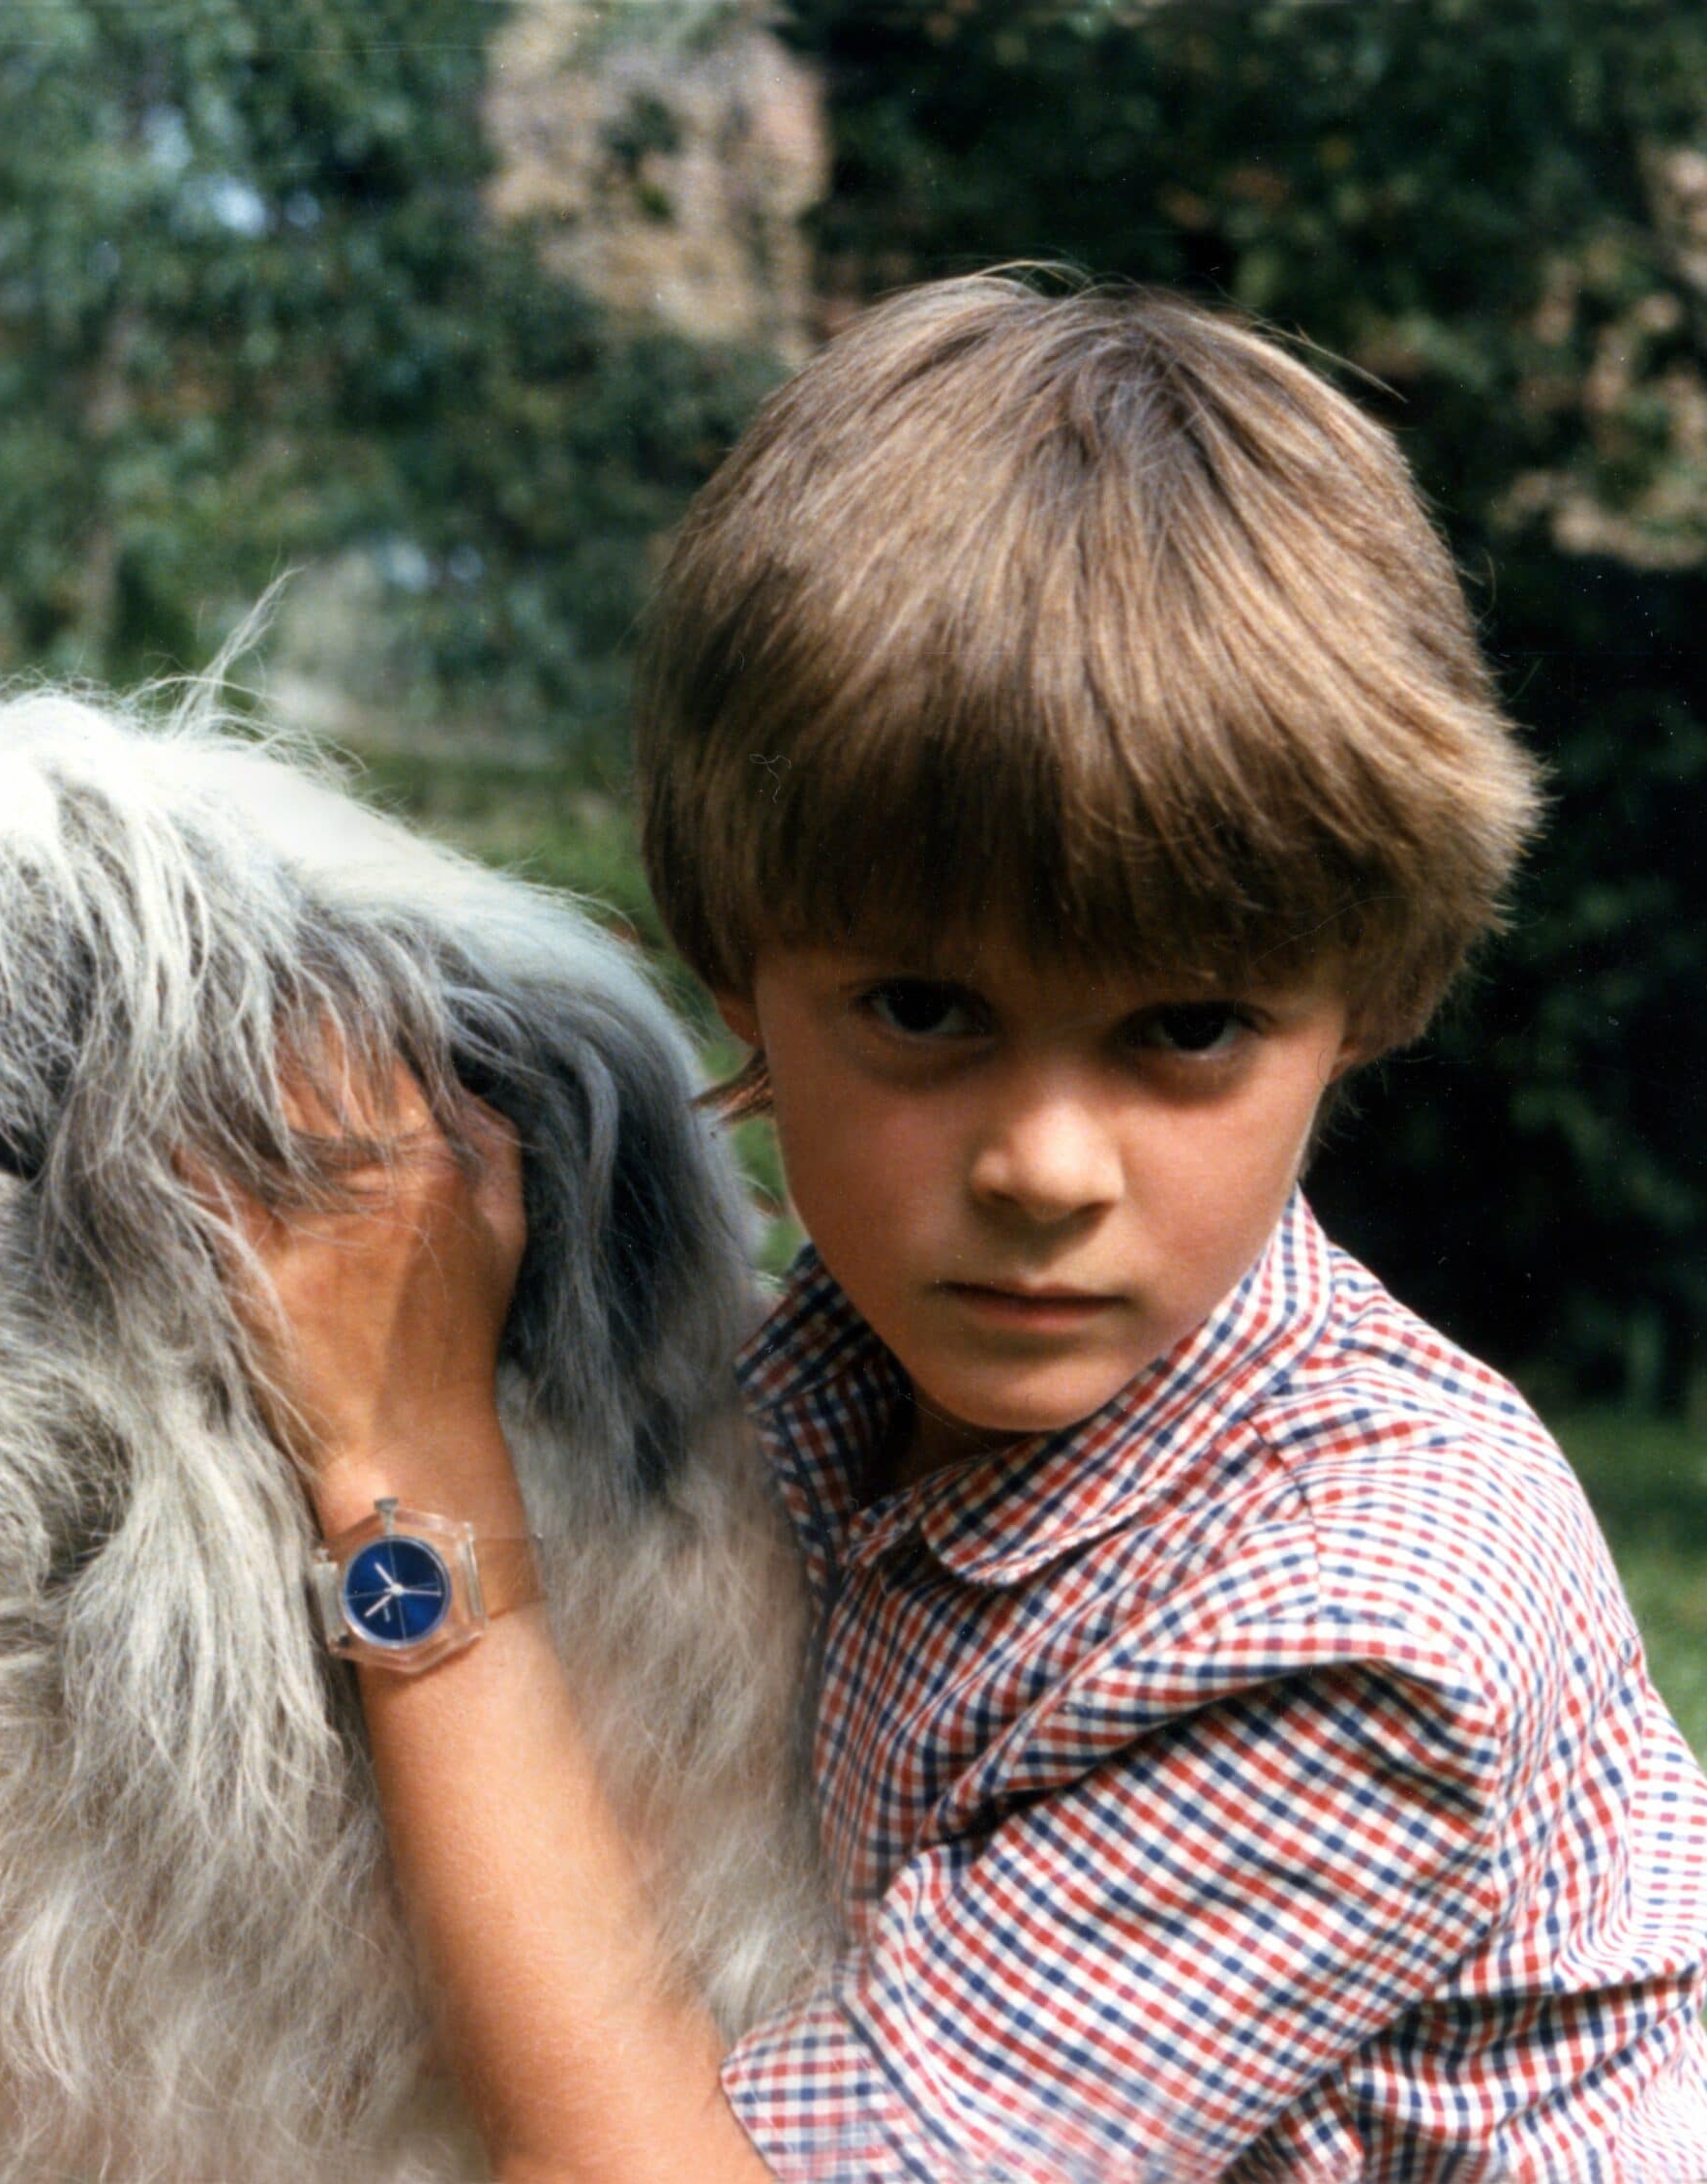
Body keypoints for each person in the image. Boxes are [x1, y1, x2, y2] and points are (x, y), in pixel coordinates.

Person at [226, 276, 1707, 2180]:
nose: (1039, 1166)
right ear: (734, 963)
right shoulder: (837, 1367)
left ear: (1375, 995)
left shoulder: (1355, 1619)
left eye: (1181, 1028)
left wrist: (405, 1486)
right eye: (924, 1011)